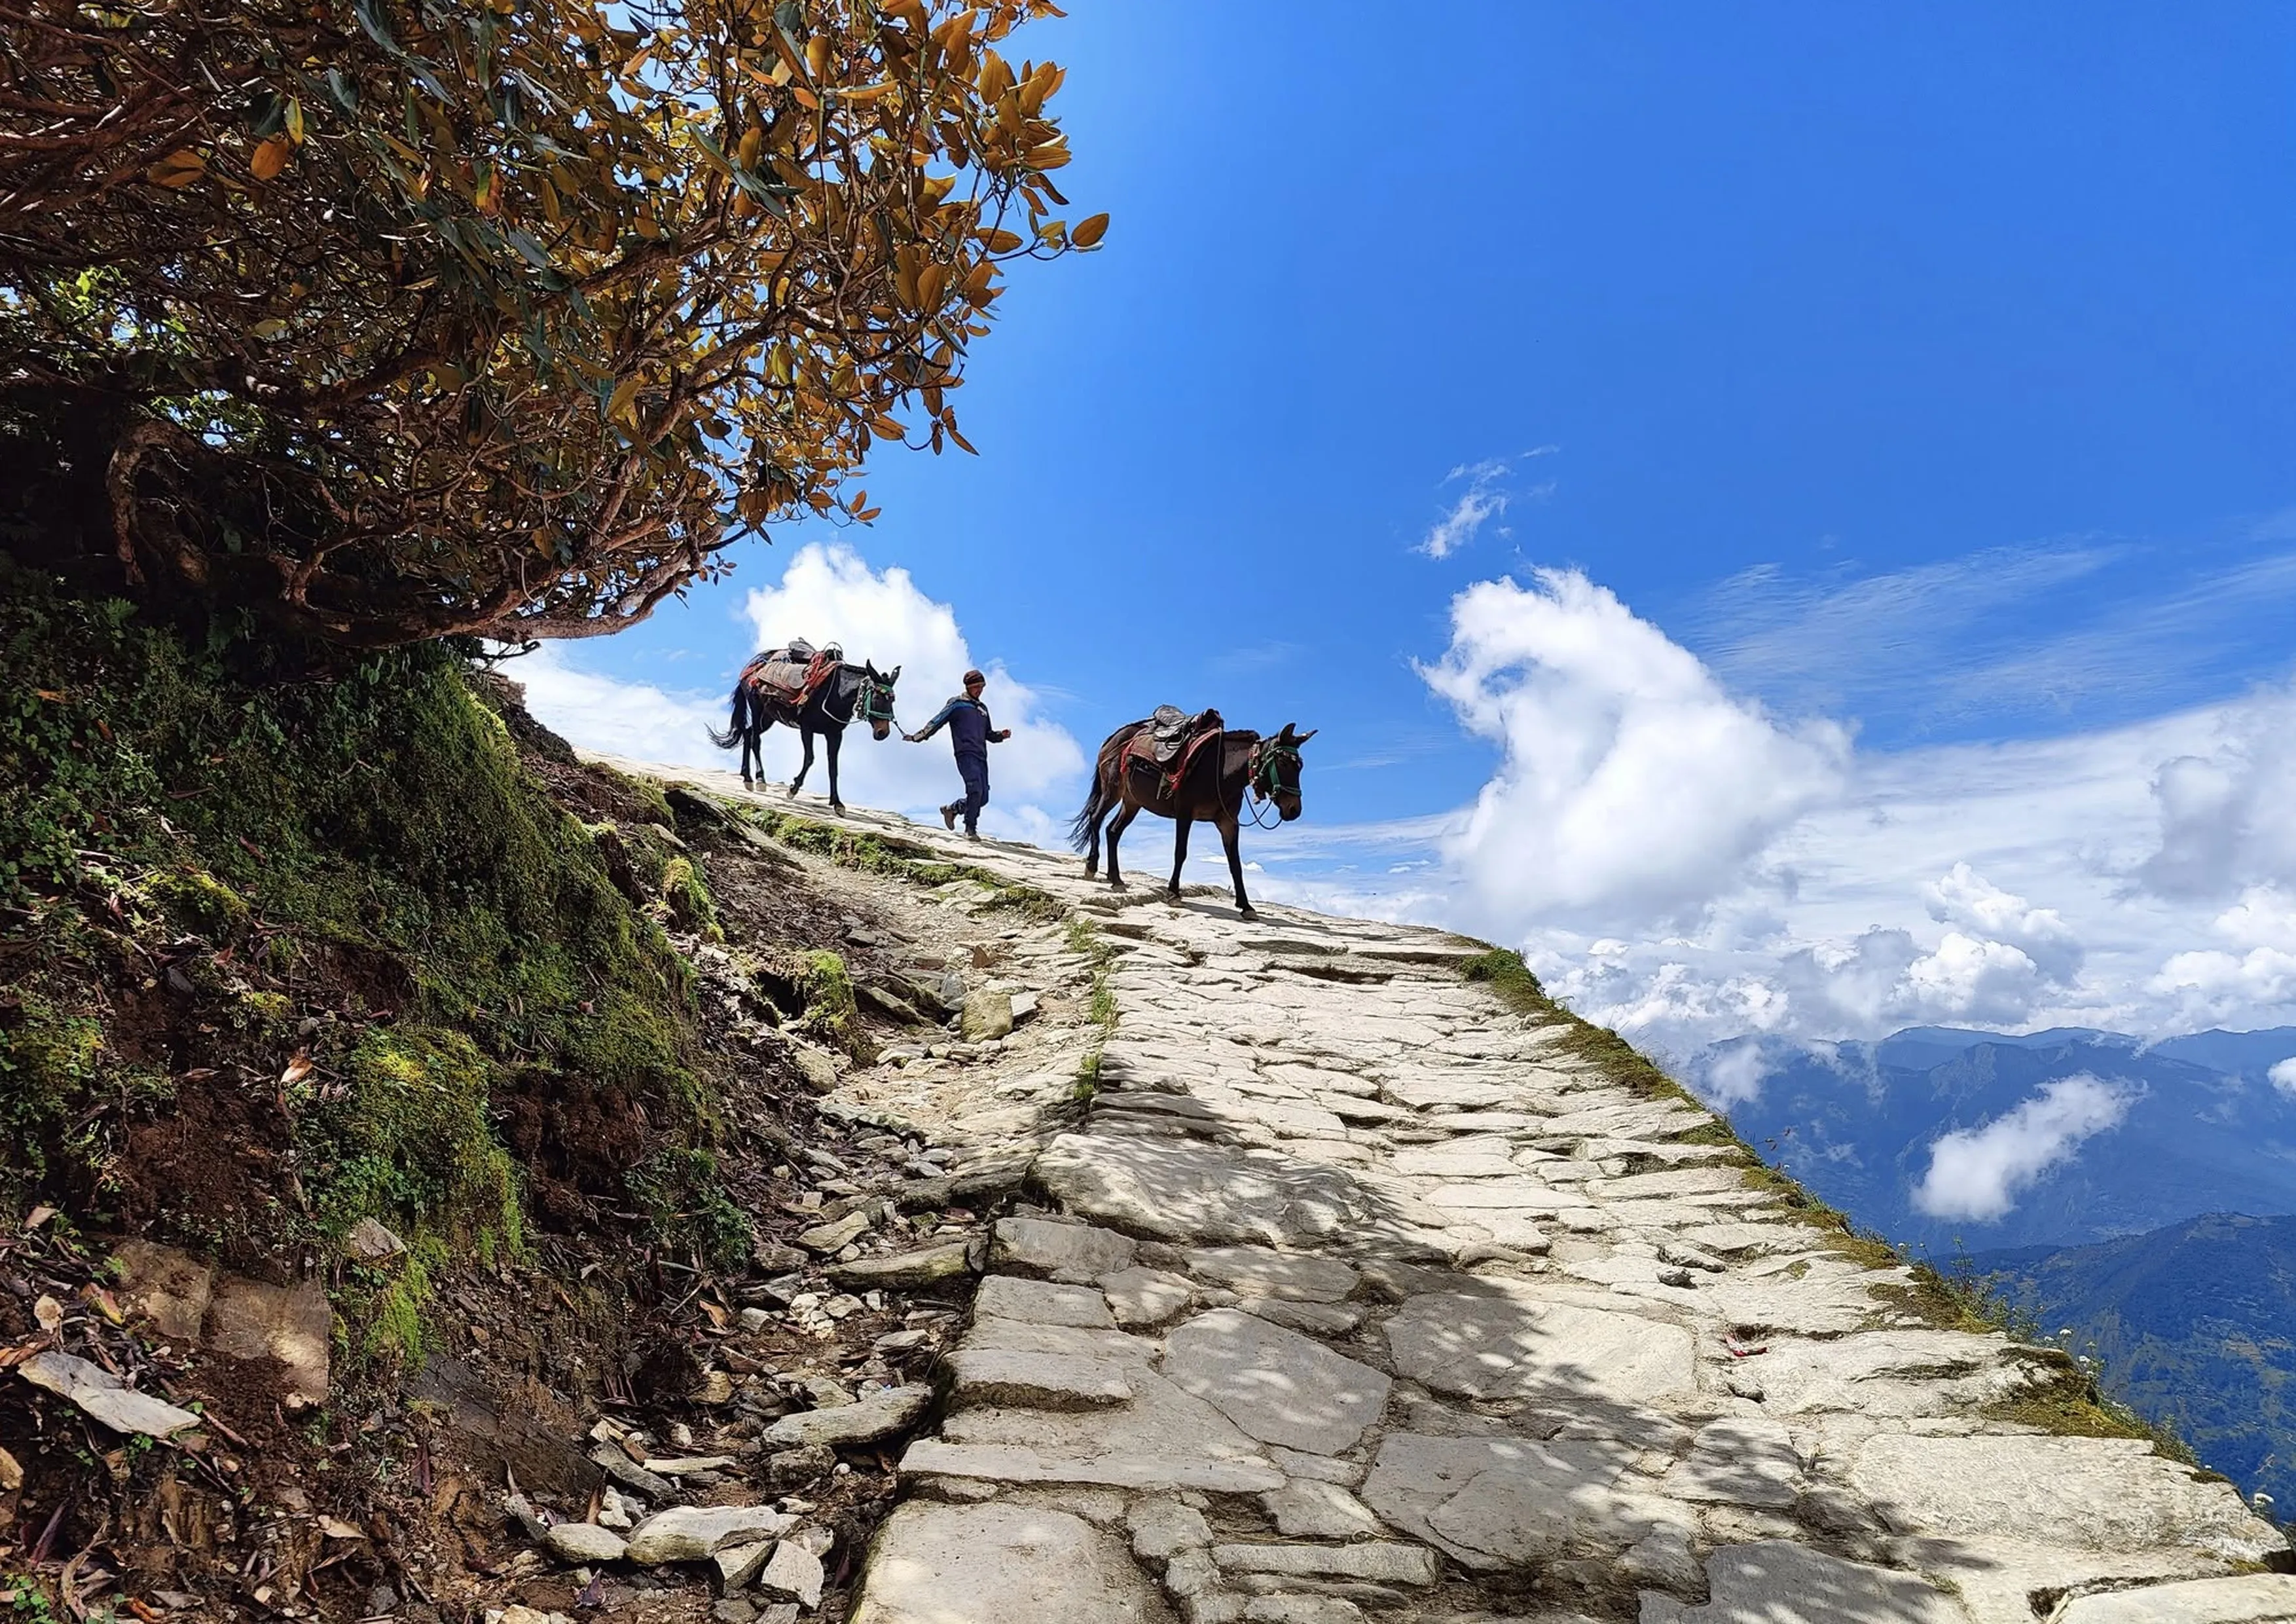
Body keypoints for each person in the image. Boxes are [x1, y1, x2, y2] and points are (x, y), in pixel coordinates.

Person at [906, 668, 1011, 838]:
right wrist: (918, 736)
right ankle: (971, 829)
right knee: (975, 789)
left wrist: (1001, 736)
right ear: (968, 687)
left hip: (981, 756)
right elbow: (937, 721)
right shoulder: (957, 704)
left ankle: (953, 809)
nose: (980, 690)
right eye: (977, 687)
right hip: (965, 753)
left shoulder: (983, 709)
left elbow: (988, 735)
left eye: (982, 687)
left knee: (983, 798)